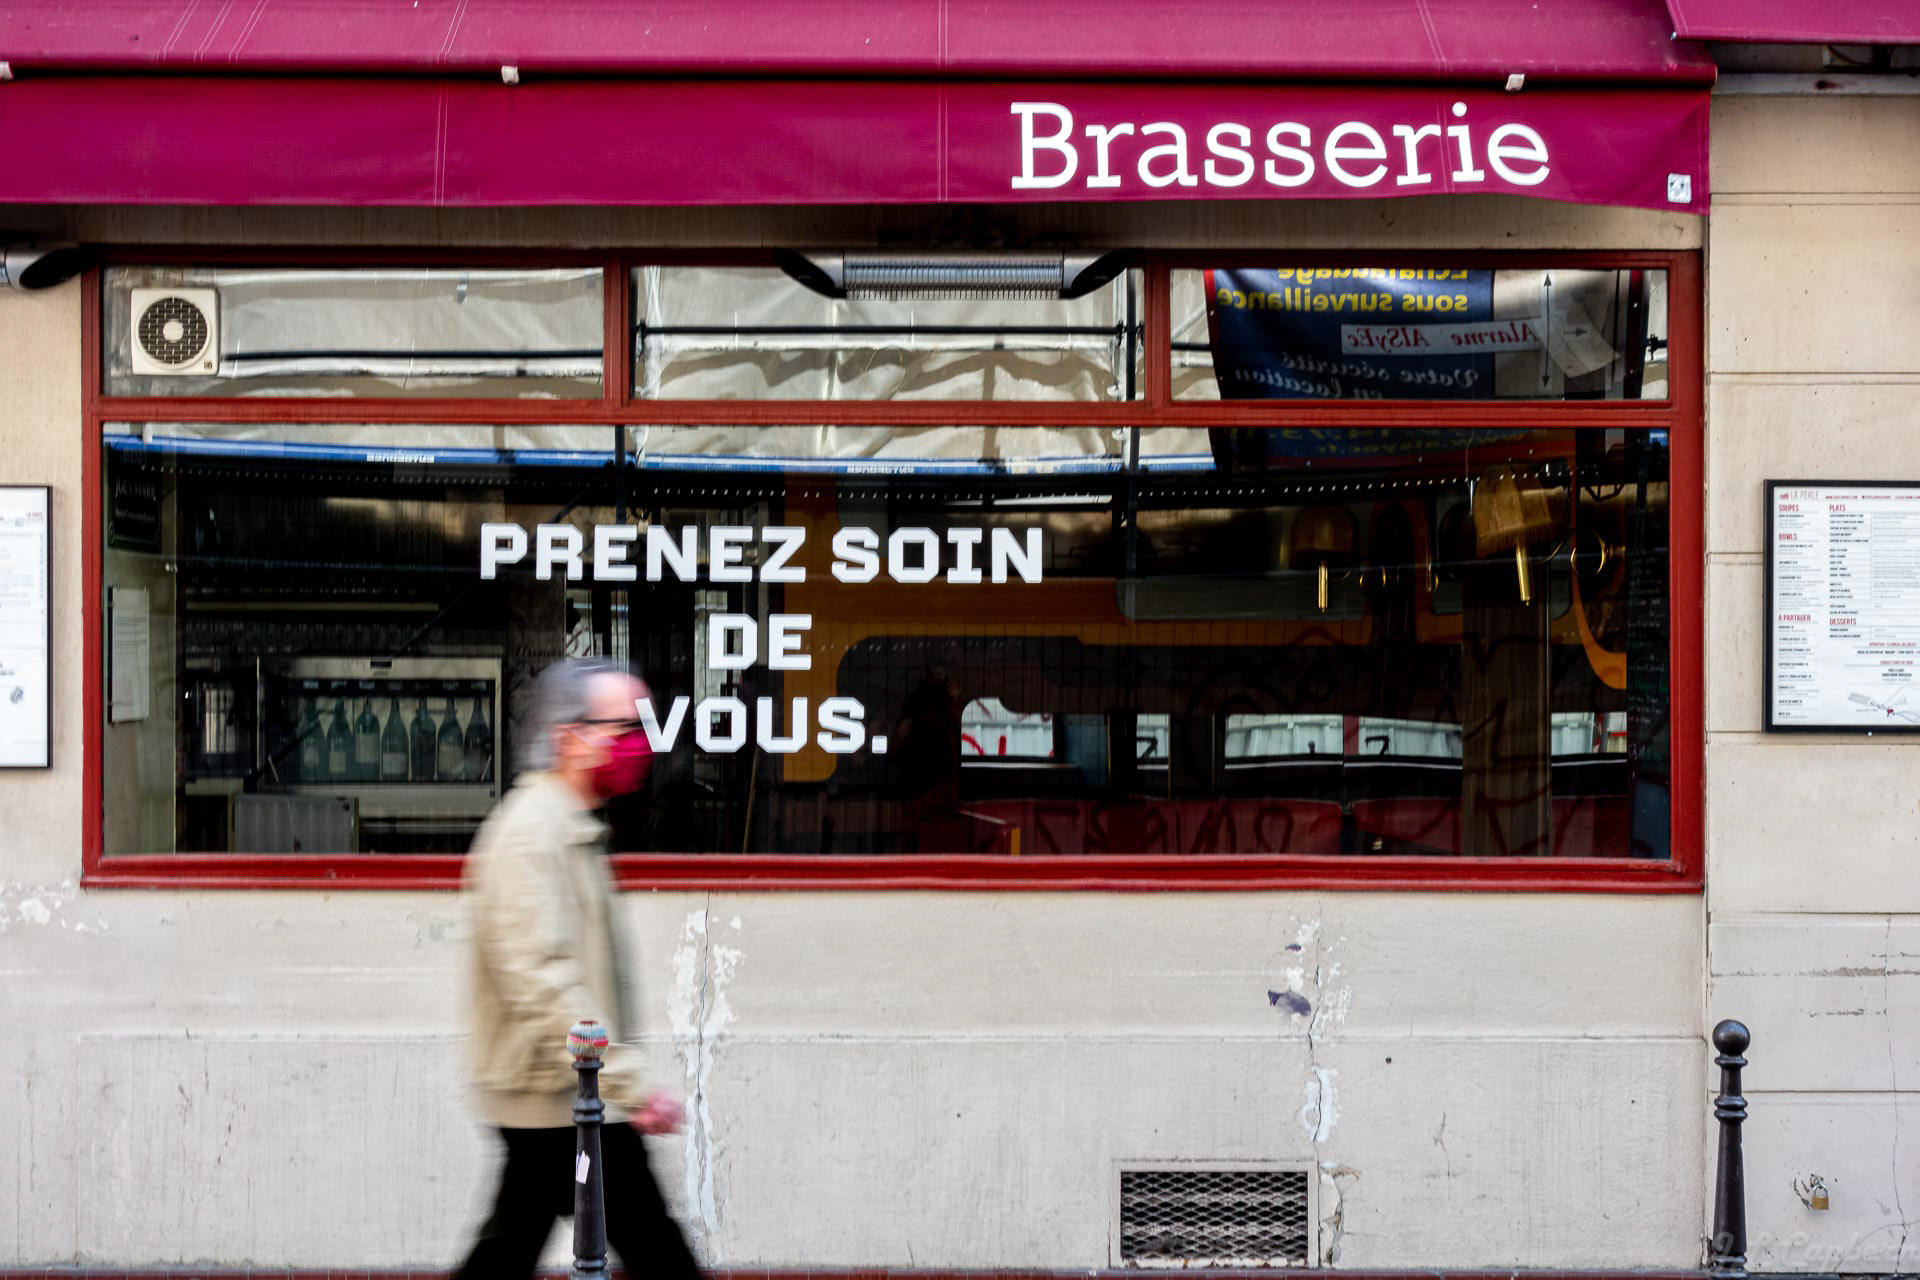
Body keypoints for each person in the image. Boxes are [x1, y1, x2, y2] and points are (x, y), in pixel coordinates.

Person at [456, 658, 701, 1279]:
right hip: (562, 1096)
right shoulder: (531, 835)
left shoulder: (568, 827)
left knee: (508, 1249)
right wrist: (625, 1082)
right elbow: (543, 980)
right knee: (658, 1252)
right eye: (626, 728)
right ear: (570, 737)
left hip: (562, 1092)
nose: (641, 745)